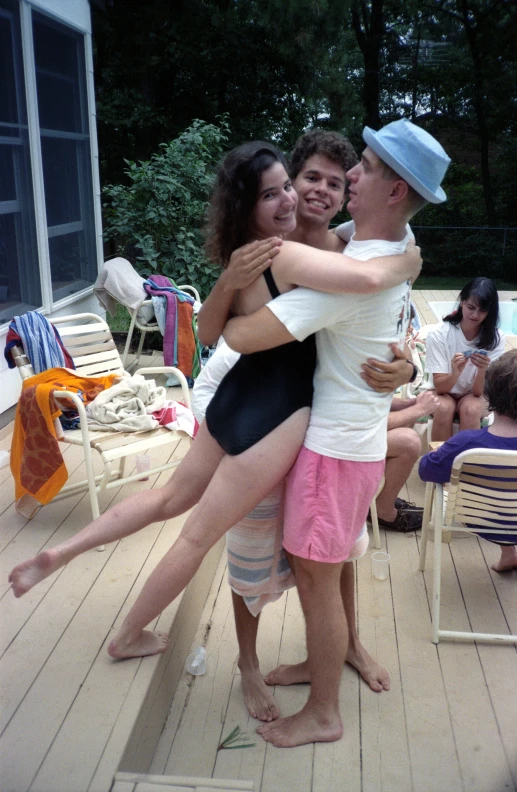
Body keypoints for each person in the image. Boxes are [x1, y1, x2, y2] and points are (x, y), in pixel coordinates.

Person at [8, 141, 419, 666]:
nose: (301, 195)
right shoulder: (293, 252)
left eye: (328, 184)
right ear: (254, 204)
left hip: (235, 395)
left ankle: (62, 552)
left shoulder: (284, 246)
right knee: (196, 536)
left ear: (344, 196)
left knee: (168, 500)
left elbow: (363, 281)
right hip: (280, 413)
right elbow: (365, 279)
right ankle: (129, 634)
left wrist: (403, 362)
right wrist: (409, 259)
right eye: (288, 186)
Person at [221, 118, 451, 747]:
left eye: (367, 168)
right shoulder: (385, 247)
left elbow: (241, 335)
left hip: (330, 452)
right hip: (349, 447)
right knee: (323, 571)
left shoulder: (351, 279)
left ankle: (324, 713)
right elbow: (367, 251)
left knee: (317, 582)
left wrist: (231, 293)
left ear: (397, 190)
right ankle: (322, 665)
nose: (352, 175)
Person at [419, 349, 517, 572]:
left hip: (479, 519)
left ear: (489, 396)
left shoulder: (466, 444)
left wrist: (439, 453)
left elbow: (426, 471)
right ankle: (509, 553)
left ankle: (509, 553)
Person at [425, 277, 506, 442]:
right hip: (443, 391)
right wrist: (455, 372)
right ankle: (441, 463)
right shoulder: (439, 333)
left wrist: (482, 371)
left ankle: (468, 464)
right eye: (471, 307)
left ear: (490, 311)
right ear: (462, 302)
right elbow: (440, 387)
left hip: (474, 394)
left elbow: (478, 393)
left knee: (471, 409)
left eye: (482, 310)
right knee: (443, 407)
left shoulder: (496, 338)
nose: (475, 315)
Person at [374, 390, 440, 532]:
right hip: (338, 441)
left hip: (347, 432)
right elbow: (368, 421)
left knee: (407, 417)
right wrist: (419, 409)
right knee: (408, 442)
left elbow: (369, 400)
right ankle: (383, 509)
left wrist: (409, 403)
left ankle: (384, 497)